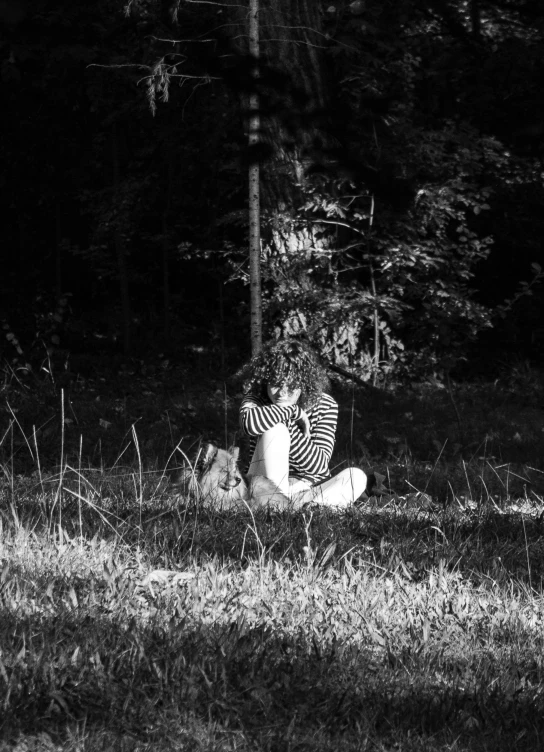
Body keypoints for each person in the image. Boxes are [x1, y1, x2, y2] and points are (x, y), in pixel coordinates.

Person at [239, 338, 367, 509]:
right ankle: (278, 510)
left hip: (306, 488)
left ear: (304, 383)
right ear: (265, 380)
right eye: (275, 383)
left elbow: (319, 465)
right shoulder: (256, 397)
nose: (282, 393)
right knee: (275, 430)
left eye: (291, 385)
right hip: (263, 487)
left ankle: (312, 511)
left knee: (356, 476)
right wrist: (291, 411)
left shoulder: (325, 405)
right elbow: (249, 424)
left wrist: (289, 424)